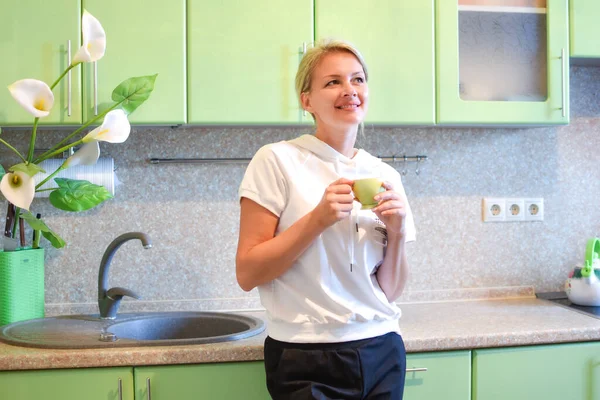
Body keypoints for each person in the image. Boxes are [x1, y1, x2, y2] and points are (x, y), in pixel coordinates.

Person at [236, 39, 416, 400]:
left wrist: (395, 235)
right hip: (306, 354)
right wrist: (317, 219)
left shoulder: (384, 175)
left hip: (382, 348)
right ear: (306, 100)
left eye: (358, 79)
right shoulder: (276, 160)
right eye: (333, 82)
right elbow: (248, 272)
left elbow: (391, 290)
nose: (349, 90)